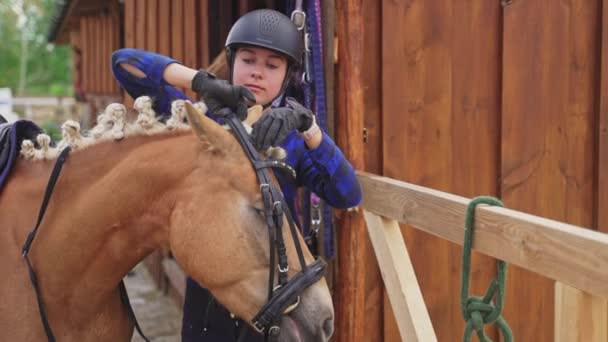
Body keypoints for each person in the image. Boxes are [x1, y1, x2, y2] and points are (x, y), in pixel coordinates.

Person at [111, 8, 362, 341]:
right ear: (232, 62)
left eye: (272, 66)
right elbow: (124, 63)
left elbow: (348, 194)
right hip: (211, 285)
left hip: (272, 288)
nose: (257, 72)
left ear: (288, 76)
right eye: (248, 60)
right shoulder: (199, 121)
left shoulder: (294, 139)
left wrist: (308, 126)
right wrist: (199, 81)